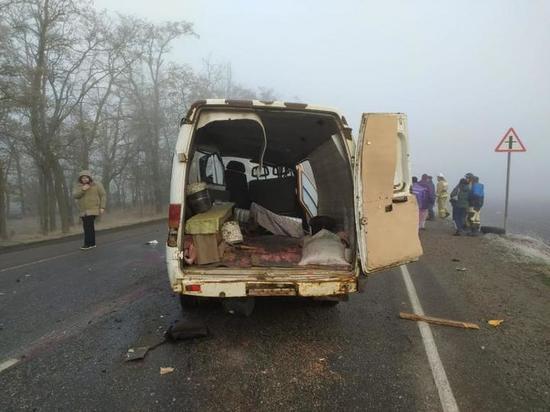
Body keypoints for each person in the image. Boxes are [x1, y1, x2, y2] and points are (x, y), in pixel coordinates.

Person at [73, 170, 106, 250]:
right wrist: (83, 190)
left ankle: (87, 244)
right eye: (82, 178)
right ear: (80, 179)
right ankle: (92, 243)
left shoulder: (96, 184)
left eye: (86, 177)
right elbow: (75, 196)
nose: (84, 179)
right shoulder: (78, 186)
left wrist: (102, 207)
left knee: (87, 226)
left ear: (89, 178)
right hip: (83, 210)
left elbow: (103, 195)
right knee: (89, 226)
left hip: (93, 209)